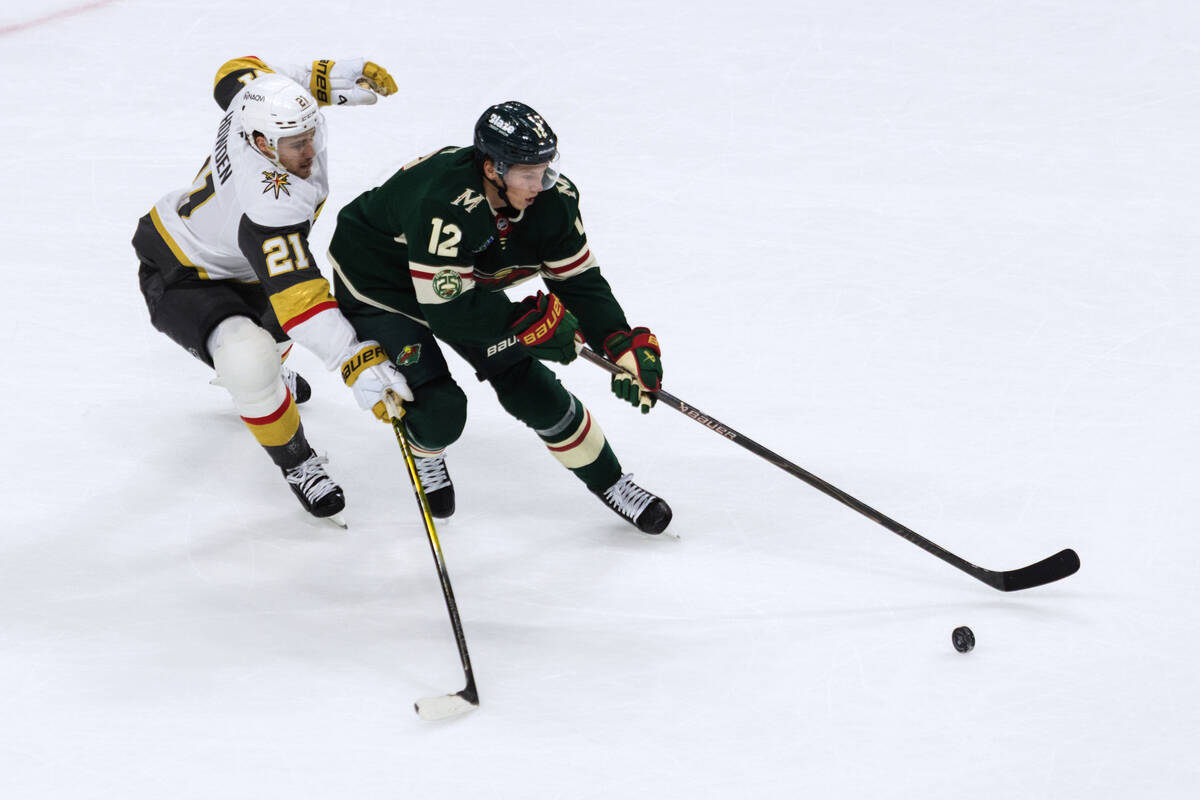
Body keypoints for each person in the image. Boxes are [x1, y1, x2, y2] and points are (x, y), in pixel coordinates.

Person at [326, 101, 672, 534]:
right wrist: (524, 327)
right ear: (492, 168)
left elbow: (579, 282)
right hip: (381, 284)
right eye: (529, 173)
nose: (542, 183)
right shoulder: (445, 202)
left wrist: (620, 342)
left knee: (534, 390)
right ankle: (425, 450)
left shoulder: (554, 202)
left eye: (547, 168)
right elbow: (450, 312)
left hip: (457, 285)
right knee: (440, 413)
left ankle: (613, 482)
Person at [133, 57, 412, 524]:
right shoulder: (269, 198)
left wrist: (319, 78)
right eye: (296, 144)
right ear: (262, 145)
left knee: (277, 329)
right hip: (182, 268)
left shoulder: (253, 106)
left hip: (243, 261)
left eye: (311, 135)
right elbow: (299, 294)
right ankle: (297, 460)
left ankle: (269, 382)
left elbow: (236, 71)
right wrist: (353, 359)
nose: (309, 151)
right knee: (249, 360)